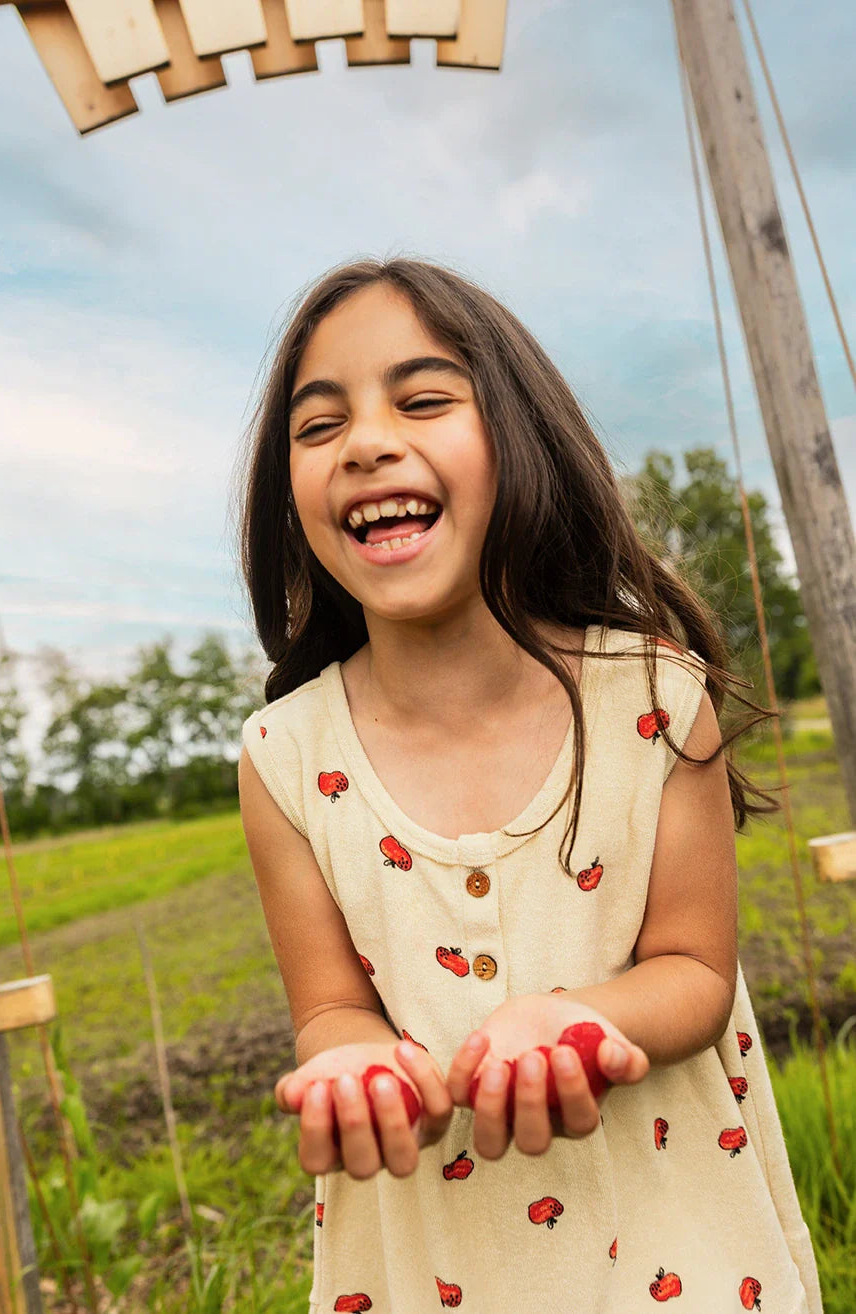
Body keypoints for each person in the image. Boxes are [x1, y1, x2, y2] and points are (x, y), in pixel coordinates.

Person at [235, 257, 823, 1313]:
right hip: (433, 1264)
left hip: (673, 1244)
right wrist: (362, 1072)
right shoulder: (283, 755)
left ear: (520, 438)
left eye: (422, 400)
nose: (366, 443)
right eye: (318, 428)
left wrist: (579, 1022)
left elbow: (693, 967)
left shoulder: (653, 698)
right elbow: (329, 1008)